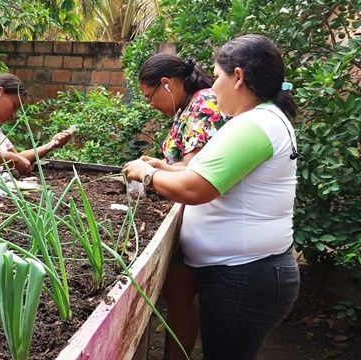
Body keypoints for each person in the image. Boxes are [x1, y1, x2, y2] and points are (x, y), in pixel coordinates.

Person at [123, 34, 300, 360]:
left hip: (246, 275)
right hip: (240, 272)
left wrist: (147, 174)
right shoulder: (255, 121)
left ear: (238, 77)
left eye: (218, 77)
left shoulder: (257, 125)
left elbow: (195, 189)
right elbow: (202, 173)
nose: (213, 87)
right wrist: (163, 167)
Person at [135, 53, 225, 360]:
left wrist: (150, 174)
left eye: (150, 97)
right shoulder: (188, 107)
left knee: (181, 299)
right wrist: (159, 164)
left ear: (167, 84)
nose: (150, 105)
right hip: (191, 217)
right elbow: (187, 164)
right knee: (177, 298)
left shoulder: (203, 106)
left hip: (205, 220)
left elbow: (194, 174)